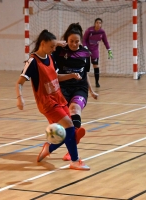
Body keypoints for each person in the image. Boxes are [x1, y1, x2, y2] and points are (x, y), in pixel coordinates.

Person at [15, 29, 90, 170]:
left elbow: (55, 77)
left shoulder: (49, 58)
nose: (54, 49)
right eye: (52, 47)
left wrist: (72, 75)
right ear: (42, 44)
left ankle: (49, 148)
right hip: (47, 102)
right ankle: (74, 161)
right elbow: (19, 82)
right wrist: (20, 98)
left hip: (58, 98)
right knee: (69, 125)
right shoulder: (32, 61)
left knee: (68, 130)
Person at [52, 23, 99, 161]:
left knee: (75, 108)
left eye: (77, 41)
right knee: (65, 122)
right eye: (71, 41)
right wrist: (56, 43)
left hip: (80, 87)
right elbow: (44, 48)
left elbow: (86, 74)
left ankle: (72, 149)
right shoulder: (59, 51)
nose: (74, 44)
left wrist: (91, 91)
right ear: (67, 39)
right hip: (63, 88)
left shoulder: (85, 53)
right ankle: (70, 145)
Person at [82, 18, 113, 88]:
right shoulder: (89, 30)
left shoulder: (102, 32)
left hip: (94, 50)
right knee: (86, 67)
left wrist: (109, 50)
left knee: (96, 66)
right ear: (94, 23)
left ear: (101, 24)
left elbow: (105, 41)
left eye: (100, 23)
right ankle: (84, 82)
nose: (98, 24)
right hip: (87, 49)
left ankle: (97, 82)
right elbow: (84, 39)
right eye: (97, 22)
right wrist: (85, 48)